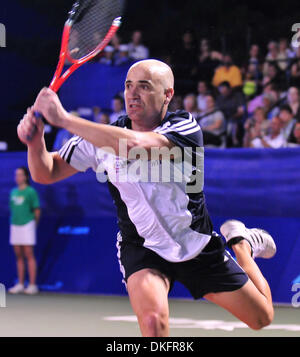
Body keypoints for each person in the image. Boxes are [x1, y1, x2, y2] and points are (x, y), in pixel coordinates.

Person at [17, 59, 276, 337]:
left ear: (167, 94)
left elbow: (136, 146)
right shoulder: (103, 136)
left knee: (261, 318)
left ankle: (241, 243)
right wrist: (36, 143)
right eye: (128, 86)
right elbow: (47, 172)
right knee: (153, 323)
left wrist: (65, 120)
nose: (132, 94)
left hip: (195, 244)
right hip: (142, 246)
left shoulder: (184, 128)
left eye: (144, 86)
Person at [8, 167, 41, 295]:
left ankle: (32, 285)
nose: (17, 177)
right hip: (15, 225)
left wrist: (33, 224)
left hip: (28, 224)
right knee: (18, 255)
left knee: (29, 254)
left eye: (20, 175)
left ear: (26, 177)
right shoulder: (13, 192)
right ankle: (21, 284)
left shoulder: (31, 192)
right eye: (16, 175)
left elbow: (37, 210)